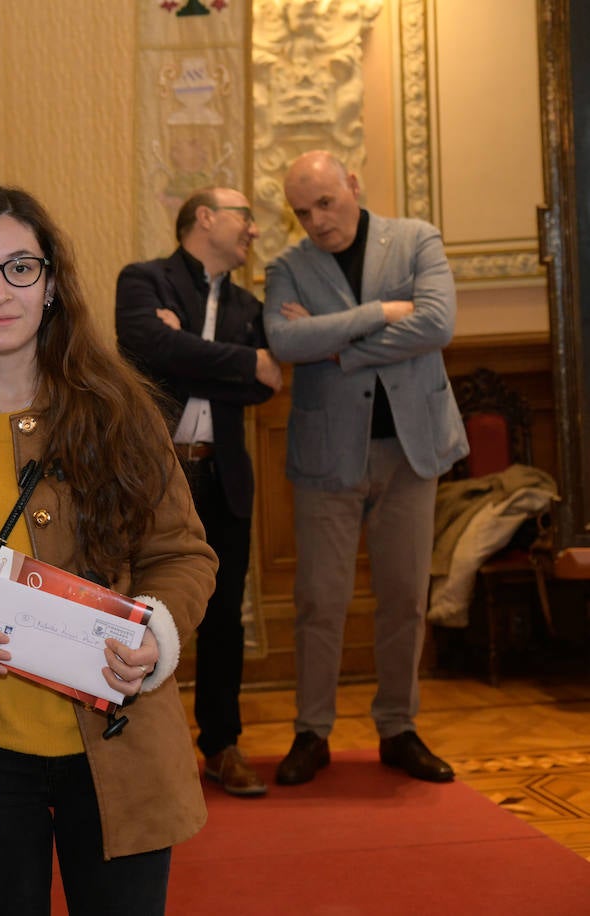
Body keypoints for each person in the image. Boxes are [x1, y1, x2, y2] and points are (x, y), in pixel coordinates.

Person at [0, 186, 216, 916]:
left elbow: (183, 554)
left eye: (20, 268)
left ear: (51, 283)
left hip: (120, 746)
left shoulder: (118, 410)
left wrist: (156, 630)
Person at [264, 150, 468, 786]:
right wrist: (381, 313)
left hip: (412, 451)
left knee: (405, 596)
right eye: (302, 212)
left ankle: (398, 727)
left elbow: (438, 322)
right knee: (319, 601)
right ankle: (312, 731)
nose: (317, 221)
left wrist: (339, 347)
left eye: (325, 202)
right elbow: (287, 342)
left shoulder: (414, 239)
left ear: (353, 184)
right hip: (328, 459)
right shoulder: (285, 267)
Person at [115, 187, 283, 798]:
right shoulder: (145, 280)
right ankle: (133, 749)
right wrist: (241, 361)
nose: (254, 232)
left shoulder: (246, 304)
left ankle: (222, 745)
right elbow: (146, 348)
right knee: (135, 611)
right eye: (246, 218)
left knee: (222, 617)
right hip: (155, 478)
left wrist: (188, 350)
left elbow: (266, 387)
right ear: (206, 218)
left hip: (223, 476)